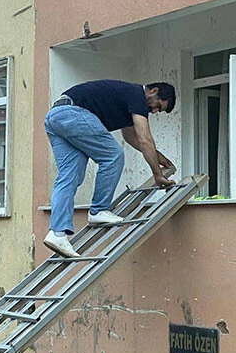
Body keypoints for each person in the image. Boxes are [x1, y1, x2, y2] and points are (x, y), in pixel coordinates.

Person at [43, 80, 177, 258]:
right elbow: (145, 138)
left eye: (157, 111)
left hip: (55, 116)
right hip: (73, 113)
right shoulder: (137, 94)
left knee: (69, 176)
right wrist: (157, 175)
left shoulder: (128, 100)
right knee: (113, 156)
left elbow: (133, 139)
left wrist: (160, 158)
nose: (153, 111)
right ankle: (99, 210)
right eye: (157, 106)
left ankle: (57, 234)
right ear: (153, 91)